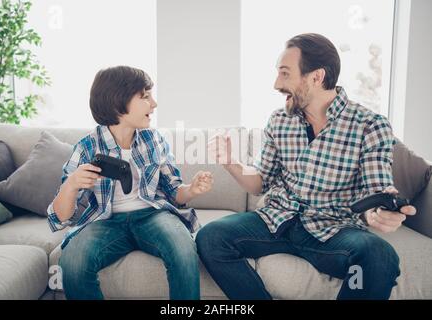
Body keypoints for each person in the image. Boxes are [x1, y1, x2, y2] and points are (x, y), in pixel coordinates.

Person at [198, 33, 416, 300]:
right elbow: (260, 181)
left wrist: (377, 213)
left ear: (316, 77)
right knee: (210, 237)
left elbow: (375, 189)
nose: (277, 84)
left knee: (379, 256)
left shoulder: (370, 125)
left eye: (285, 74)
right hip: (276, 220)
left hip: (331, 228)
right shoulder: (279, 120)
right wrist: (230, 163)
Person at [47, 66, 213, 300]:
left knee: (183, 250)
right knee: (72, 260)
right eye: (145, 97)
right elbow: (61, 216)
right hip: (106, 223)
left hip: (152, 216)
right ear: (118, 103)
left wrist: (191, 190)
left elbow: (175, 192)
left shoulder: (153, 140)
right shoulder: (87, 147)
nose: (153, 104)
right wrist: (71, 185)